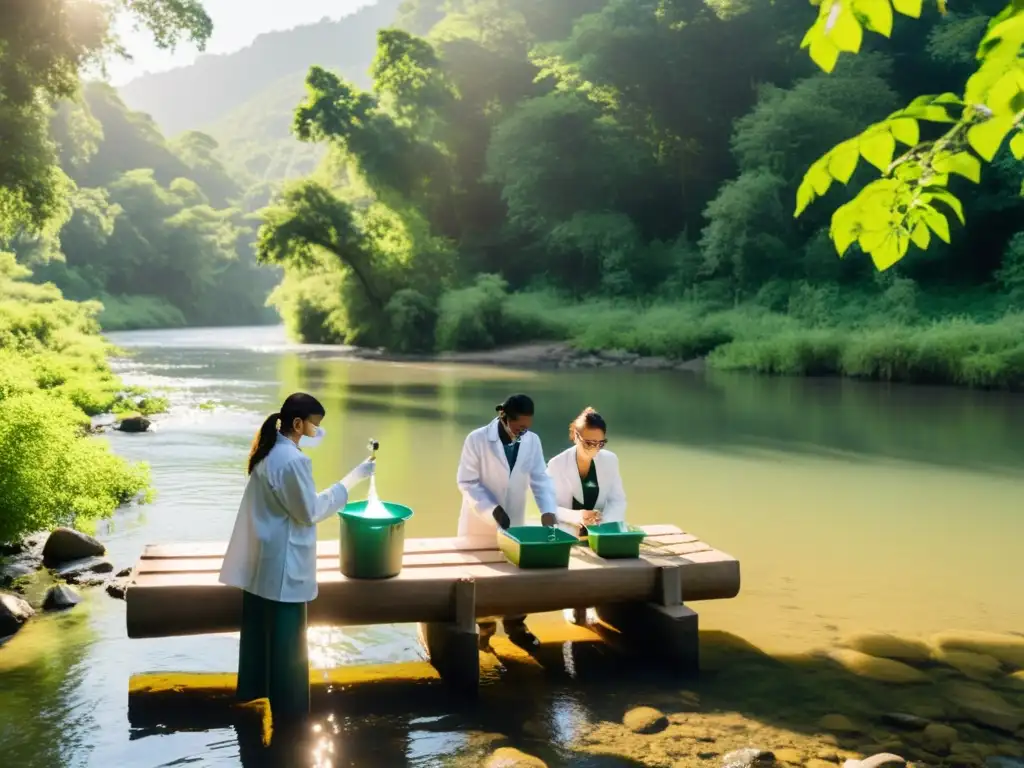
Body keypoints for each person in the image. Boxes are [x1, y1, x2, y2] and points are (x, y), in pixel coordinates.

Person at [219, 392, 376, 712]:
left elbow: (292, 504)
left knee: (260, 640)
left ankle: (256, 701)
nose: (317, 431)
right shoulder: (294, 461)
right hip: (284, 568)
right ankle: (291, 715)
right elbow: (309, 511)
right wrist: (352, 480)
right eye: (314, 425)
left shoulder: (268, 453)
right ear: (297, 423)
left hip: (263, 562)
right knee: (289, 646)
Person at [456, 393, 557, 648]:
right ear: (504, 417)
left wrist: (547, 509)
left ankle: (515, 624)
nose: (523, 432)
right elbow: (467, 482)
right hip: (480, 522)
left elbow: (540, 478)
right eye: (518, 427)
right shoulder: (477, 439)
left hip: (515, 521)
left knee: (515, 575)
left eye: (527, 427)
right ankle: (484, 627)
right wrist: (491, 510)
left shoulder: (531, 441)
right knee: (481, 576)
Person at [546, 407, 627, 536]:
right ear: (576, 437)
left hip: (602, 533)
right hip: (567, 533)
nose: (594, 449)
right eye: (589, 443)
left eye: (600, 443)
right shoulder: (557, 464)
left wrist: (603, 523)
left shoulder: (610, 460)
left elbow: (617, 501)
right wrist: (577, 516)